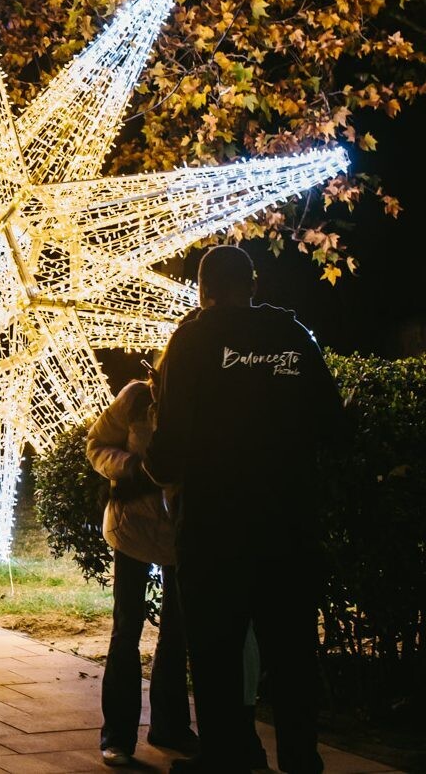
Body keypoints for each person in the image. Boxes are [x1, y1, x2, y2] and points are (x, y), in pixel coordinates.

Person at [144, 245, 344, 774]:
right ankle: (301, 756)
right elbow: (333, 423)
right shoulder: (292, 336)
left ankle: (224, 756)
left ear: (202, 290)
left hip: (215, 527)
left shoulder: (191, 340)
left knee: (215, 650)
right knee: (292, 647)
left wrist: (156, 464)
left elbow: (169, 448)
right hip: (288, 523)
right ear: (252, 286)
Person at [87, 367, 197, 766]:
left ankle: (170, 726)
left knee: (177, 630)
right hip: (132, 525)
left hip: (183, 529)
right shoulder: (137, 396)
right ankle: (117, 735)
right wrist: (130, 467)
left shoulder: (203, 396)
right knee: (126, 627)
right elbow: (97, 444)